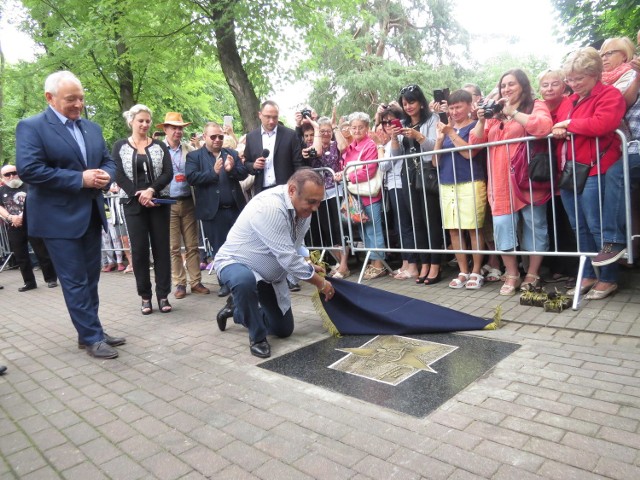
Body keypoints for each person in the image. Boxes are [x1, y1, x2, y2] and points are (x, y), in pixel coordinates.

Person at [16, 70, 125, 359]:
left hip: (89, 213)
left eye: (81, 98)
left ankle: (91, 331)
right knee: (75, 280)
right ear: (49, 98)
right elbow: (30, 170)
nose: (78, 104)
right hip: (57, 220)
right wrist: (80, 179)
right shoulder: (32, 127)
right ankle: (91, 337)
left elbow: (107, 160)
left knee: (90, 278)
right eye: (71, 99)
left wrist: (105, 175)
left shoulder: (92, 128)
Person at [214, 169, 335, 358]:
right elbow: (287, 258)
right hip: (235, 263)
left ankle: (237, 309)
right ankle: (257, 338)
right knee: (244, 281)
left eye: (319, 202)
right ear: (292, 191)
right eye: (312, 202)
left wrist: (307, 262)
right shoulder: (269, 206)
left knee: (283, 329)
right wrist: (321, 283)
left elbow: (294, 243)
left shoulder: (304, 209)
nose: (315, 208)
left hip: (269, 277)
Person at [470, 69, 553, 296]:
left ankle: (532, 273)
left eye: (511, 84)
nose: (506, 89)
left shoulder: (535, 105)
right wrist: (481, 120)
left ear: (523, 87)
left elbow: (543, 127)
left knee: (535, 226)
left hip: (528, 181)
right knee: (502, 227)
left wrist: (513, 113)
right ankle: (512, 273)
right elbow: (475, 142)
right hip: (500, 181)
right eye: (503, 85)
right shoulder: (494, 113)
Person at [552, 47, 627, 300]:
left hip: (596, 168)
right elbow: (556, 125)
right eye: (570, 79)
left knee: (596, 226)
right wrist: (561, 127)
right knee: (579, 226)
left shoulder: (610, 94)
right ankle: (588, 274)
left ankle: (608, 278)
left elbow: (604, 123)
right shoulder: (569, 101)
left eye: (578, 78)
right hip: (570, 170)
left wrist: (569, 125)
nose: (573, 84)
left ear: (594, 74)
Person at [113, 104, 174, 314]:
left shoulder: (159, 146)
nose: (145, 124)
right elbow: (118, 174)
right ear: (131, 121)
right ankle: (145, 296)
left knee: (161, 249)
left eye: (148, 121)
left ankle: (164, 295)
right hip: (133, 203)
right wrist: (138, 193)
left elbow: (168, 172)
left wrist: (151, 190)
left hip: (158, 202)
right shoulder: (120, 146)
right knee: (138, 251)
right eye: (141, 120)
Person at [244, 100, 304, 291]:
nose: (271, 121)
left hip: (285, 191)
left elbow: (298, 164)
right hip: (262, 192)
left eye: (275, 117)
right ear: (259, 115)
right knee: (267, 236)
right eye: (268, 117)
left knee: (289, 235)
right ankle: (270, 275)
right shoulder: (251, 137)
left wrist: (297, 191)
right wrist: (253, 166)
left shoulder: (290, 135)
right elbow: (245, 164)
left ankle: (292, 278)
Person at [591, 33, 640, 267]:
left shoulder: (631, 73)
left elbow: (620, 102)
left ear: (625, 54)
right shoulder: (609, 80)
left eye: (609, 53)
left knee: (616, 174)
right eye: (601, 54)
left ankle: (613, 241)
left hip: (633, 147)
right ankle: (629, 250)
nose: (604, 58)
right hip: (629, 147)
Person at [186, 122, 248, 297]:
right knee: (219, 249)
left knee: (239, 247)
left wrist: (231, 169)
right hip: (213, 212)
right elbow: (191, 177)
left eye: (220, 136)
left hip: (235, 209)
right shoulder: (195, 157)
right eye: (213, 136)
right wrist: (213, 173)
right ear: (204, 137)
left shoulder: (232, 153)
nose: (217, 140)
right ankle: (225, 283)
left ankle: (241, 281)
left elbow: (243, 173)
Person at [434, 90, 487, 290]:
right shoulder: (446, 129)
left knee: (473, 228)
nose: (455, 111)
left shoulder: (475, 126)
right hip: (447, 182)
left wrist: (450, 133)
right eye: (452, 107)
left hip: (471, 180)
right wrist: (440, 138)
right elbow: (434, 161)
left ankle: (477, 270)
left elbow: (468, 153)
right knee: (453, 230)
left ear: (468, 106)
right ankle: (463, 271)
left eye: (459, 107)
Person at [390, 84, 442, 285]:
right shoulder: (402, 123)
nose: (408, 106)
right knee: (417, 222)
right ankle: (424, 263)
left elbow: (433, 150)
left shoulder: (432, 119)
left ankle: (436, 264)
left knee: (431, 220)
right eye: (405, 103)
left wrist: (418, 136)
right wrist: (395, 137)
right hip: (407, 175)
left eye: (412, 102)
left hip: (427, 174)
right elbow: (395, 156)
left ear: (420, 102)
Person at [159, 112, 210, 300]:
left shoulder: (189, 149)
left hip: (188, 200)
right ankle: (179, 283)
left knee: (192, 245)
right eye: (174, 127)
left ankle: (196, 281)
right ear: (165, 129)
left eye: (180, 128)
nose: (178, 131)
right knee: (173, 247)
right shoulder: (158, 149)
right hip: (168, 203)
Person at [336, 112, 387, 280]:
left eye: (361, 127)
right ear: (349, 129)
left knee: (374, 230)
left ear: (366, 128)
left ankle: (379, 265)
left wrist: (347, 176)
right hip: (355, 196)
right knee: (364, 230)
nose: (357, 130)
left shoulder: (370, 145)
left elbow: (370, 170)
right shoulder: (349, 148)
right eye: (353, 127)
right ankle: (372, 262)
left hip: (369, 195)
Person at [0, 165, 58, 291]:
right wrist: (11, 217)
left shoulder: (30, 185)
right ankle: (29, 282)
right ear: (2, 177)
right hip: (14, 225)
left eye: (14, 172)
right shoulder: (1, 190)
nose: (11, 176)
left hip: (33, 223)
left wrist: (22, 215)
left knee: (42, 252)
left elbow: (38, 202)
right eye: (7, 174)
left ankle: (51, 278)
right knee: (20, 255)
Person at [303, 117, 349, 277]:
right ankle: (337, 262)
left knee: (339, 228)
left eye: (328, 131)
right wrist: (316, 131)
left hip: (335, 191)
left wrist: (335, 127)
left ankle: (344, 265)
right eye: (322, 131)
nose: (325, 134)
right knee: (326, 229)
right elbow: (319, 152)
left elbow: (344, 146)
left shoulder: (336, 145)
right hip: (319, 194)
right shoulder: (311, 147)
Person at [378, 103, 419, 280]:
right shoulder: (387, 142)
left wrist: (380, 148)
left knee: (406, 225)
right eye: (384, 122)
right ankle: (405, 263)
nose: (388, 125)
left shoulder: (399, 138)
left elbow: (385, 164)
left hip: (402, 184)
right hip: (392, 186)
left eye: (391, 121)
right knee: (400, 226)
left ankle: (413, 265)